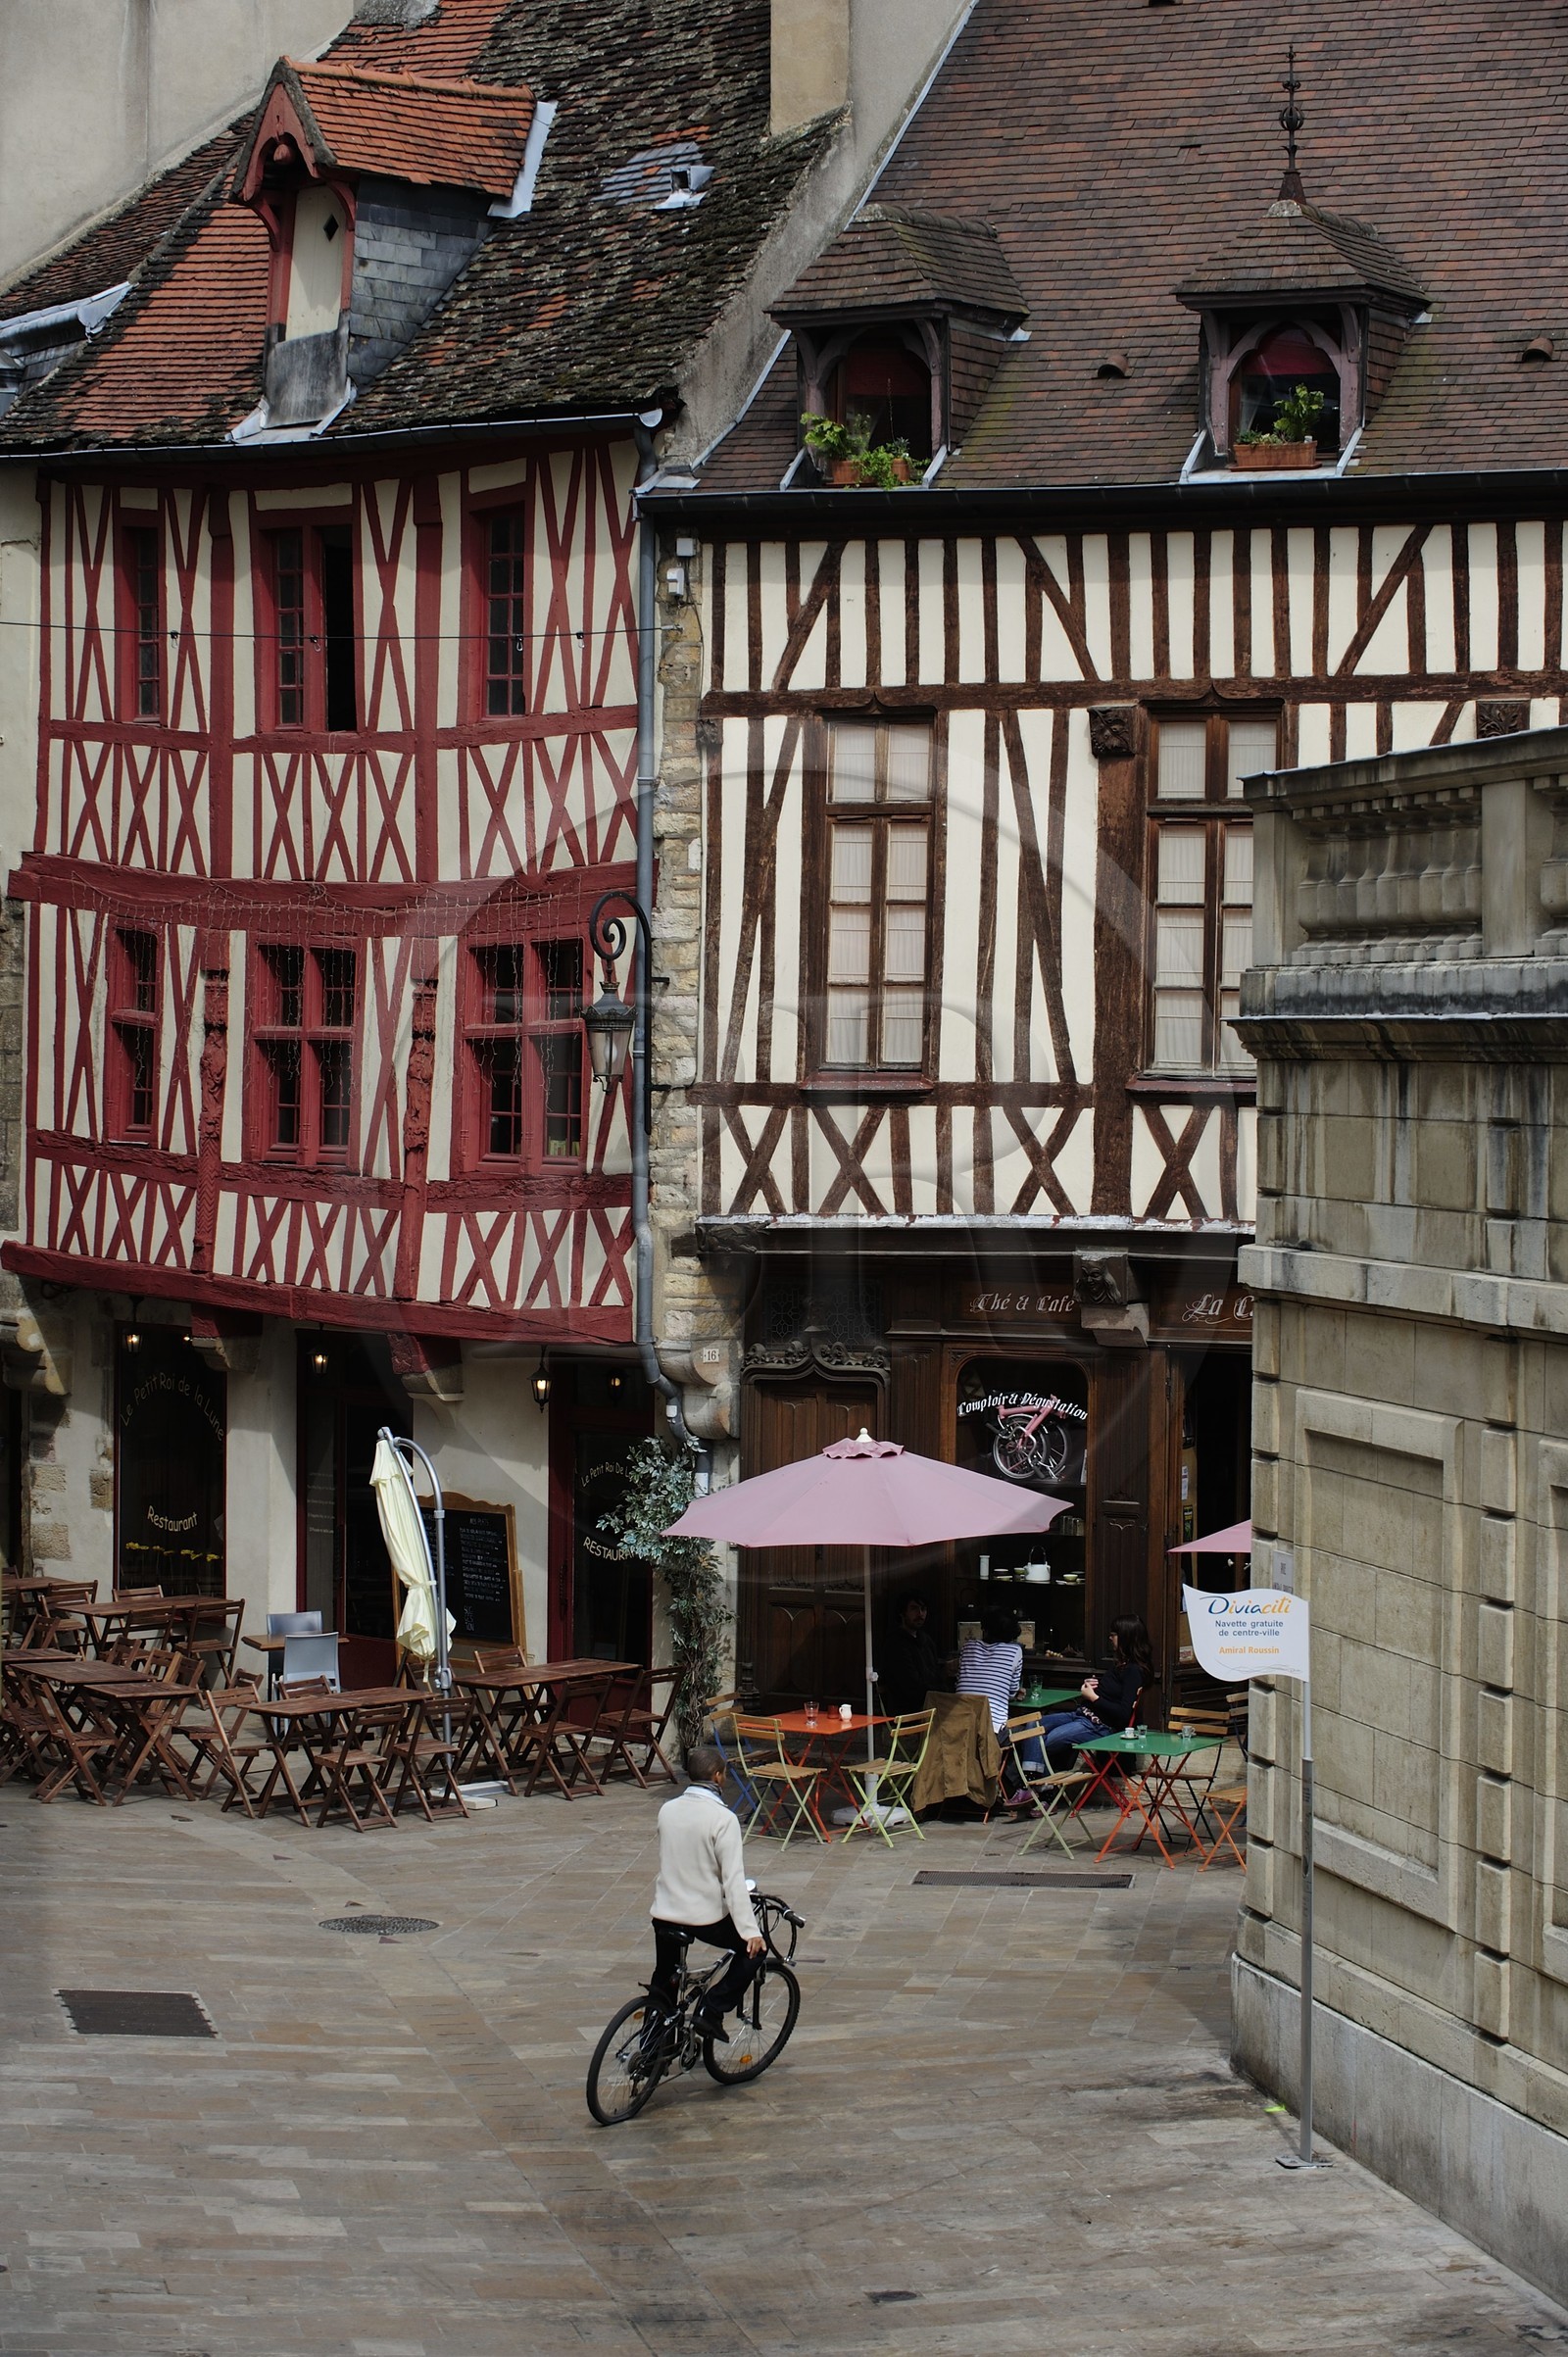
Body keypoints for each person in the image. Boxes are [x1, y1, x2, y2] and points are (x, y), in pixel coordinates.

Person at [649, 1743, 764, 2043]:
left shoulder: (667, 1810)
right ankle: (711, 2010)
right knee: (754, 1953)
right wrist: (751, 1932)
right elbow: (733, 1881)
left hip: (664, 1912)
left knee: (665, 1978)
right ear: (717, 1776)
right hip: (701, 1918)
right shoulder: (723, 1819)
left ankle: (650, 2048)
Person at [1039, 1615, 1155, 1767]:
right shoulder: (1122, 1664)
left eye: (1114, 1634)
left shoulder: (1133, 1670)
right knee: (1032, 1726)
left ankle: (1033, 1781)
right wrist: (1093, 1686)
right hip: (1081, 1715)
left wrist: (1093, 1697)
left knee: (1044, 1741)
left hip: (1098, 1725)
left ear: (1126, 1637)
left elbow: (1123, 1712)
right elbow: (1114, 1692)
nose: (1110, 1638)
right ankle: (1038, 1779)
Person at [878, 1592, 943, 1716]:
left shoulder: (926, 1640)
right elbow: (910, 1686)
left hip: (931, 1704)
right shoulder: (895, 1644)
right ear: (902, 1613)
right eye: (914, 1609)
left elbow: (934, 1672)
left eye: (923, 1609)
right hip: (907, 1710)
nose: (920, 1614)